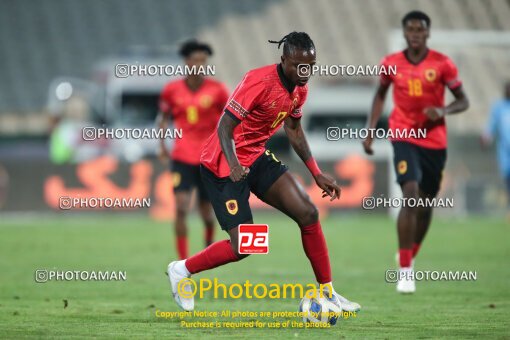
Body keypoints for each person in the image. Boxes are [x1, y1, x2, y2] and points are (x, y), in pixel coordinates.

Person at [166, 31, 361, 312]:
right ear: (284, 60)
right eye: (299, 65)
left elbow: (293, 129)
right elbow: (224, 127)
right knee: (245, 245)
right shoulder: (258, 81)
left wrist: (316, 172)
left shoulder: (300, 89)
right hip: (223, 164)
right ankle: (182, 269)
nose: (305, 72)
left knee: (308, 212)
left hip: (255, 157)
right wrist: (233, 163)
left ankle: (327, 292)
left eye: (311, 66)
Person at [363, 11, 469, 294]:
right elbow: (380, 94)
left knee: (425, 204)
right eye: (410, 29)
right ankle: (406, 271)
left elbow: (463, 100)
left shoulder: (442, 64)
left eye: (420, 29)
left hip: (434, 140)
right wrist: (371, 130)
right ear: (405, 33)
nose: (415, 34)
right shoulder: (391, 64)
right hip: (403, 134)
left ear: (427, 33)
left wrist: (443, 110)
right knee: (409, 196)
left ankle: (411, 251)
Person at [158, 40, 229, 259]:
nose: (200, 65)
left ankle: (208, 246)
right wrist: (162, 146)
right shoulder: (171, 90)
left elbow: (229, 120)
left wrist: (228, 149)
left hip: (209, 159)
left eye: (203, 61)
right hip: (182, 157)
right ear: (187, 62)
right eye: (196, 60)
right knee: (180, 208)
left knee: (207, 215)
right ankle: (182, 262)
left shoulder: (217, 90)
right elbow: (163, 119)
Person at [481, 81, 510, 218]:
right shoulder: (499, 108)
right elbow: (490, 126)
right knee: (507, 180)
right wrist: (486, 138)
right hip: (505, 154)